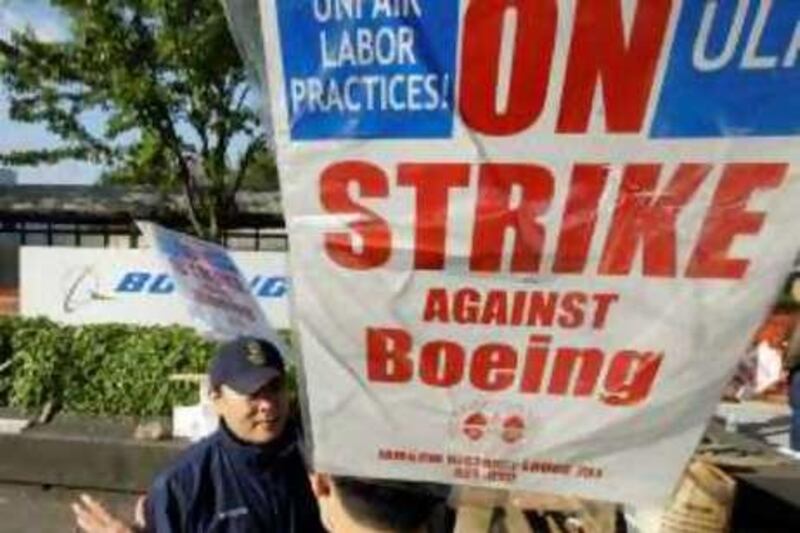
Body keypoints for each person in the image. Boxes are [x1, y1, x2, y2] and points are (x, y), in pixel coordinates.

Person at [73, 335, 325, 532]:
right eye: (253, 392)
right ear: (216, 399)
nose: (267, 404)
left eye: (275, 387)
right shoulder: (183, 486)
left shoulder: (324, 462)